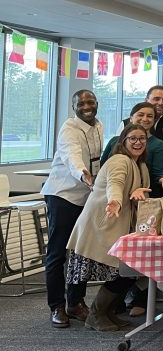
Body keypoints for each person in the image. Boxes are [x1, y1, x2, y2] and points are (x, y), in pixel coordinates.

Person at [63, 123, 152, 332]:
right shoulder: (120, 160)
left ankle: (106, 312)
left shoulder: (140, 164)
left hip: (118, 227)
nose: (138, 142)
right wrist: (115, 201)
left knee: (128, 272)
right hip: (102, 226)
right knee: (124, 272)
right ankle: (95, 314)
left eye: (142, 138)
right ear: (123, 141)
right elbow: (116, 183)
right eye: (133, 138)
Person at [42, 89, 104, 328]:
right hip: (63, 195)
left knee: (81, 252)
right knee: (58, 254)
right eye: (81, 103)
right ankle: (56, 306)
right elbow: (72, 158)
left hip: (86, 196)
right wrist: (86, 177)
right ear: (73, 107)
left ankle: (75, 302)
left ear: (97, 104)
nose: (86, 106)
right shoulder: (69, 129)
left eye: (90, 102)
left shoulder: (98, 125)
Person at [102, 102, 163, 198]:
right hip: (110, 193)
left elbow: (159, 172)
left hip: (140, 195)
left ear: (154, 120)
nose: (145, 119)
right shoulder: (114, 141)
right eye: (140, 115)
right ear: (131, 118)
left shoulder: (158, 145)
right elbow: (103, 166)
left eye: (149, 116)